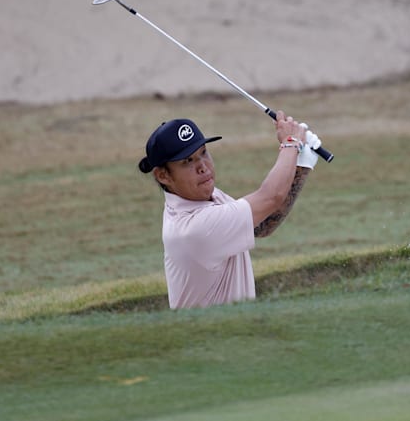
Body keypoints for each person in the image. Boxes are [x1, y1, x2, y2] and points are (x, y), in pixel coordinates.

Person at [137, 111, 320, 309]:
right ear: (163, 175)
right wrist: (291, 143)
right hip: (210, 338)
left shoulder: (207, 198)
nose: (203, 167)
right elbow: (270, 197)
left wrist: (301, 164)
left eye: (203, 153)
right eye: (187, 161)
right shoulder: (194, 229)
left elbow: (263, 225)